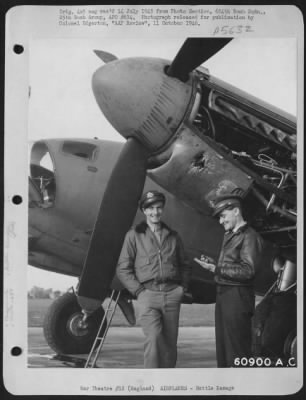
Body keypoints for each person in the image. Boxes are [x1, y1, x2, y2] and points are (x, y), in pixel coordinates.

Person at [116, 190, 191, 368]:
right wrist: (139, 292)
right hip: (147, 295)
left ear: (162, 209)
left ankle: (166, 385)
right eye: (150, 208)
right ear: (144, 210)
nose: (155, 212)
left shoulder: (173, 236)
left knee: (170, 344)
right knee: (154, 336)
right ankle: (151, 383)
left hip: (172, 294)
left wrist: (183, 289)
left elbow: (185, 265)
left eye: (158, 208)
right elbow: (123, 268)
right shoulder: (133, 235)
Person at [196, 190, 263, 367]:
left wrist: (217, 268)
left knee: (238, 351)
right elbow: (232, 265)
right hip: (225, 294)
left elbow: (248, 271)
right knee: (224, 350)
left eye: (223, 216)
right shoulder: (231, 235)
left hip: (238, 297)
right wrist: (213, 265)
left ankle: (242, 391)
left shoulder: (249, 236)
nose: (221, 221)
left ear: (236, 211)